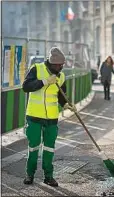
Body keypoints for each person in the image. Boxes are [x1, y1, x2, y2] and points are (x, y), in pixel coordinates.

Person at [22, 47, 76, 187]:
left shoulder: (61, 76)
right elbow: (26, 86)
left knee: (49, 148)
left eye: (62, 65)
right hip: (34, 115)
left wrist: (65, 105)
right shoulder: (36, 69)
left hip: (51, 117)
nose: (60, 68)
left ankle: (48, 176)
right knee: (33, 146)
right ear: (52, 63)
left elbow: (61, 95)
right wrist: (45, 81)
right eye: (58, 65)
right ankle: (30, 174)